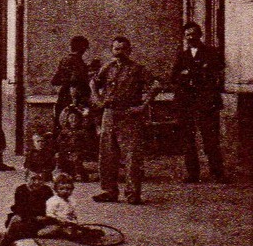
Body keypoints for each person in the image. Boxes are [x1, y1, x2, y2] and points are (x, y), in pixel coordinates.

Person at [92, 36, 166, 204]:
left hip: (129, 116)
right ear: (112, 50)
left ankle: (133, 193)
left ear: (130, 50)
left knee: (132, 156)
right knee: (107, 155)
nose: (120, 53)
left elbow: (156, 85)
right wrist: (98, 100)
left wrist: (143, 106)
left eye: (124, 49)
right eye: (116, 49)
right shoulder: (107, 67)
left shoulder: (137, 69)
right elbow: (93, 83)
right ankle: (109, 191)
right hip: (109, 114)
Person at [170, 22, 228, 183]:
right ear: (185, 37)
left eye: (194, 34)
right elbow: (174, 76)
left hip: (206, 102)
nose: (191, 37)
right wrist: (188, 75)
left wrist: (192, 74)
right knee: (188, 139)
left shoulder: (212, 53)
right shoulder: (182, 55)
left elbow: (217, 72)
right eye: (188, 35)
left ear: (200, 35)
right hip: (186, 103)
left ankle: (217, 173)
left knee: (210, 138)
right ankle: (192, 174)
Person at [0, 167, 55, 246]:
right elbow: (20, 209)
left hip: (41, 220)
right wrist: (32, 217)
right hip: (26, 218)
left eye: (40, 179)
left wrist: (44, 217)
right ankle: (3, 245)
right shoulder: (21, 190)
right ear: (27, 179)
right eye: (33, 179)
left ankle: (4, 244)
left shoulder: (46, 191)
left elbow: (51, 208)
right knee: (16, 222)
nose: (37, 182)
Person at [51, 35, 94, 122]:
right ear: (83, 48)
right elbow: (76, 80)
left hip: (63, 97)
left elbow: (55, 81)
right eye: (86, 48)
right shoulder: (77, 62)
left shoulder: (65, 60)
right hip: (75, 99)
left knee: (61, 124)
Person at [53, 105, 92, 182]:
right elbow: (59, 142)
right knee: (60, 158)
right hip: (66, 151)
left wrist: (80, 150)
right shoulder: (64, 131)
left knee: (77, 160)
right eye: (71, 118)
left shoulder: (82, 132)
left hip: (78, 152)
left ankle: (79, 174)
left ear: (79, 119)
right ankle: (62, 172)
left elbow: (87, 144)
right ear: (67, 119)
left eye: (76, 118)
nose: (73, 120)